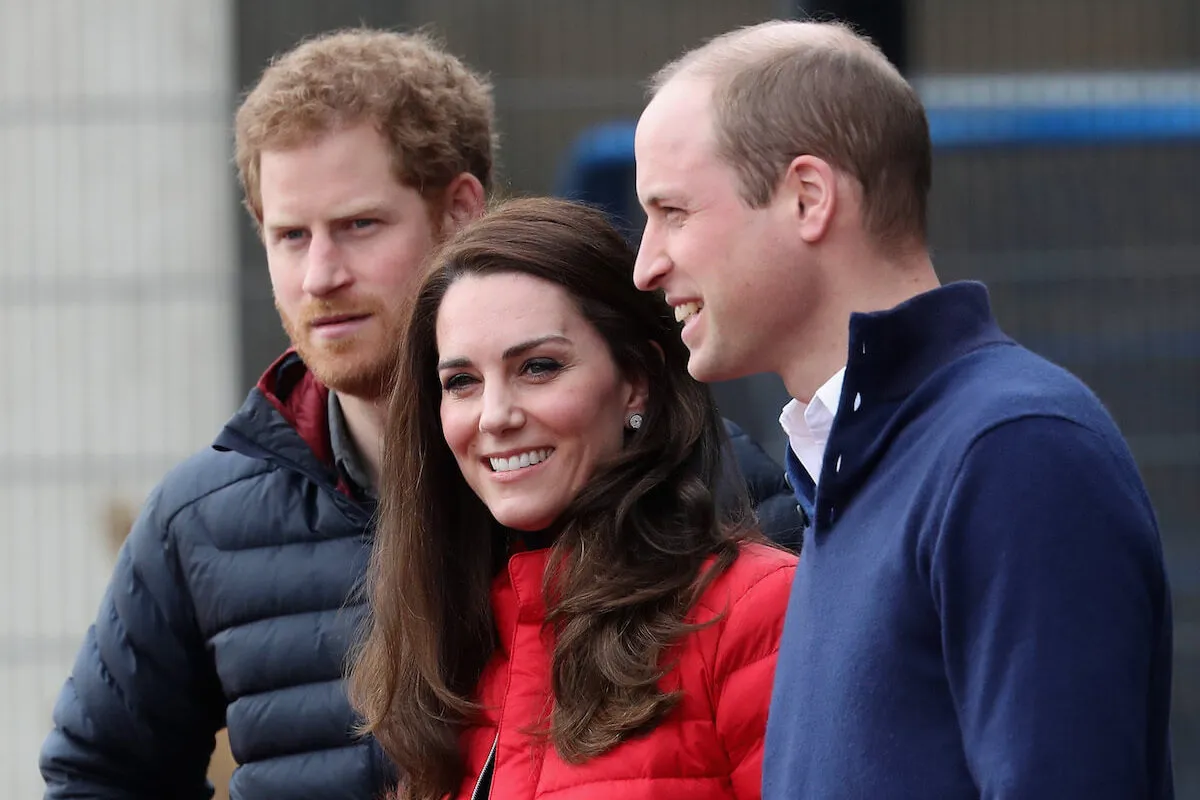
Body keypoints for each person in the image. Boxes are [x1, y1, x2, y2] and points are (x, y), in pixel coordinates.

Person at [39, 28, 801, 800]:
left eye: (359, 226)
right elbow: (98, 773)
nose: (321, 276)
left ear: (460, 210)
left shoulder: (707, 476)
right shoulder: (201, 519)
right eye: (290, 236)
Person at [632, 19, 1174, 800]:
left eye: (673, 212)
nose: (647, 265)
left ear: (808, 197)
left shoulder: (1013, 450)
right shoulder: (857, 464)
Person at [348, 197, 797, 800]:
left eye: (537, 367)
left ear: (636, 381)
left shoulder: (757, 611)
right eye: (461, 382)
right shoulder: (452, 640)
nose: (495, 416)